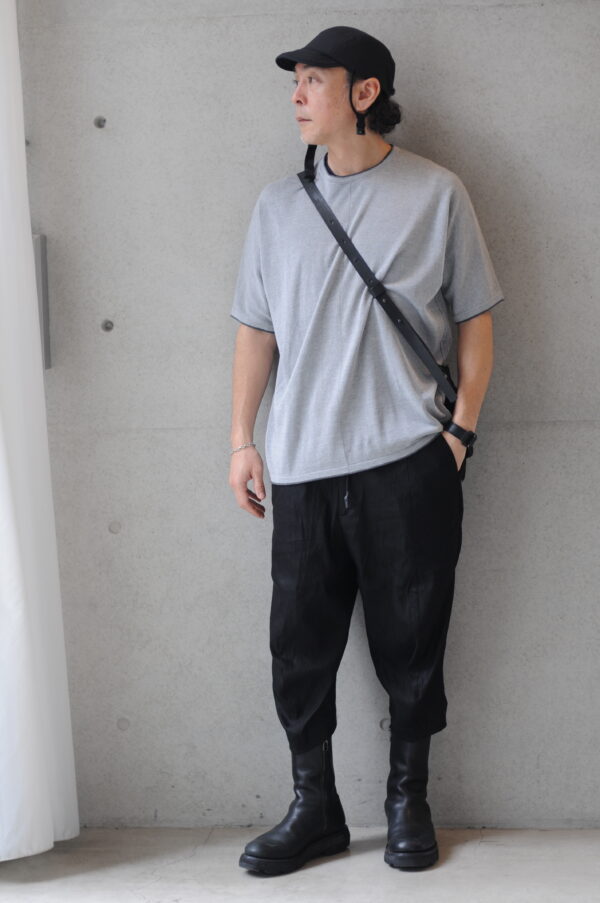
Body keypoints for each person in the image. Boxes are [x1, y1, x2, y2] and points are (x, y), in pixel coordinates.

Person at [228, 25, 503, 877]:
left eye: (315, 79)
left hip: (408, 461)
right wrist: (241, 439)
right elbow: (256, 331)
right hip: (302, 465)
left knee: (413, 639)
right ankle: (314, 808)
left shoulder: (436, 192)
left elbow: (476, 319)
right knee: (297, 645)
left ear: (365, 92)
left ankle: (407, 800)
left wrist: (459, 432)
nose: (297, 94)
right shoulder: (278, 207)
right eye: (296, 81)